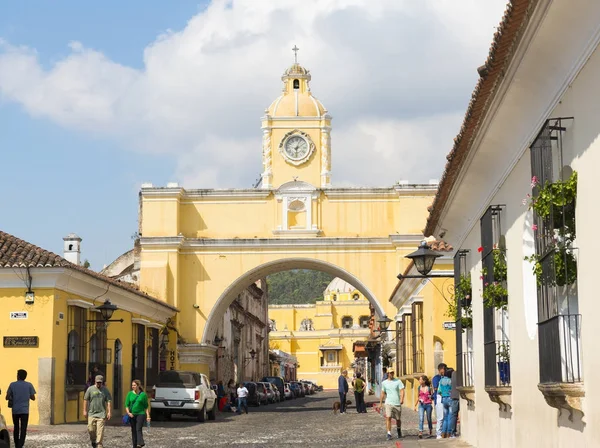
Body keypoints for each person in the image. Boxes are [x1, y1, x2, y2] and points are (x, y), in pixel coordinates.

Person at [6, 369, 36, 448]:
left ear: (18, 376)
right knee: (23, 429)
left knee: (16, 428)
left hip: (15, 410)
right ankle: (20, 444)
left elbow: (7, 397)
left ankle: (16, 445)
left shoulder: (12, 385)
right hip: (25, 411)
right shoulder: (29, 385)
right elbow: (33, 398)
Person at [84, 375, 112, 448]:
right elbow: (85, 400)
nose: (99, 384)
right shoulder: (90, 389)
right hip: (91, 413)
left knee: (100, 431)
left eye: (100, 382)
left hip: (101, 414)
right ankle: (93, 440)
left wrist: (109, 412)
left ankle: (99, 443)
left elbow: (108, 401)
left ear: (102, 382)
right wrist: (84, 410)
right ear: (95, 382)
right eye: (97, 382)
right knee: (90, 429)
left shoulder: (105, 390)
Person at [379, 369, 405, 441]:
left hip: (397, 403)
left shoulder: (398, 381)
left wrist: (402, 399)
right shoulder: (384, 383)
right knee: (388, 417)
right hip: (388, 403)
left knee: (398, 419)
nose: (391, 374)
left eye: (392, 372)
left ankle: (399, 430)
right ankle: (389, 433)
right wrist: (380, 403)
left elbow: (402, 390)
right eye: (390, 373)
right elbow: (382, 393)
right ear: (387, 373)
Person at [125, 379, 150, 448]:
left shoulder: (143, 395)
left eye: (134, 385)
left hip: (141, 414)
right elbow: (126, 405)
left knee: (138, 428)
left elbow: (146, 406)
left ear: (138, 386)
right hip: (132, 414)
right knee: (133, 430)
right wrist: (128, 413)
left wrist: (148, 415)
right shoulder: (129, 394)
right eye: (132, 385)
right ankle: (135, 446)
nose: (133, 386)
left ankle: (140, 443)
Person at [432, 363, 447, 439]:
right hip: (439, 399)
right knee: (440, 417)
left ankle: (445, 432)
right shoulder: (436, 378)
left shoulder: (447, 377)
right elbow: (436, 388)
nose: (444, 370)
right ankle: (438, 433)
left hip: (446, 398)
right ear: (440, 370)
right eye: (443, 369)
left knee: (446, 417)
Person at [438, 368, 453, 439]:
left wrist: (443, 395)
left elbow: (439, 391)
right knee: (450, 416)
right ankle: (449, 432)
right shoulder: (450, 381)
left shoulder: (441, 380)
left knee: (445, 417)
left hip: (443, 398)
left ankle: (443, 433)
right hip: (450, 398)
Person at [448, 368, 459, 438]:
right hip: (460, 396)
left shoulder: (453, 375)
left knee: (454, 415)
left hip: (454, 397)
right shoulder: (458, 373)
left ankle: (453, 432)